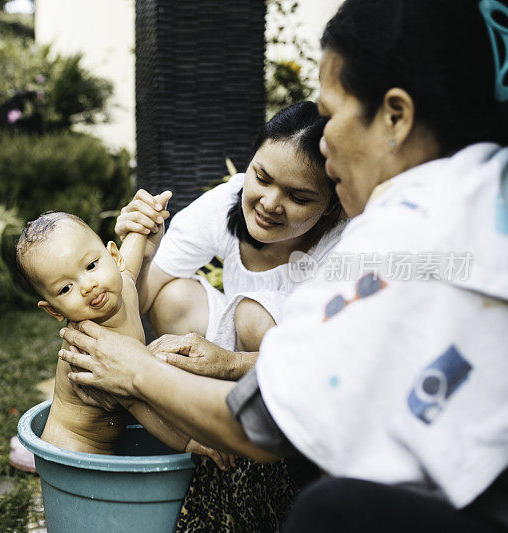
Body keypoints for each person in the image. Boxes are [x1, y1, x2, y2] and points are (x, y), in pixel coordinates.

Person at [57, 0, 508, 530]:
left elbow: (261, 423)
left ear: (396, 115)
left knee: (328, 510)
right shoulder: (483, 186)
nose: (322, 142)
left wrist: (134, 371)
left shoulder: (398, 235)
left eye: (331, 114)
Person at [114, 101, 345, 531]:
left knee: (254, 313)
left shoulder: (346, 245)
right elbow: (138, 297)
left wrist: (228, 362)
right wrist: (139, 253)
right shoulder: (226, 201)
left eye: (299, 197)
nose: (271, 203)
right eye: (262, 177)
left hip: (306, 383)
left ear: (332, 204)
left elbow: (329, 362)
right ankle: (199, 424)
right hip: (237, 365)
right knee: (173, 297)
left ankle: (266, 459)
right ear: (250, 163)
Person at [15, 212, 229, 465]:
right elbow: (139, 404)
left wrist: (146, 219)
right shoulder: (89, 347)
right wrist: (189, 441)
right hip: (75, 449)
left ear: (114, 257)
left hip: (106, 443)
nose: (87, 286)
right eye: (65, 288)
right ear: (53, 310)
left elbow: (134, 246)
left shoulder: (124, 283)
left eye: (91, 265)